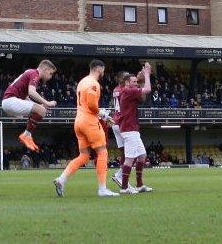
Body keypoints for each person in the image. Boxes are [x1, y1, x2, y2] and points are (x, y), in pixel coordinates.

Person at [53, 59, 117, 198]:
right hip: (90, 122)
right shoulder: (93, 84)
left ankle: (61, 179)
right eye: (103, 70)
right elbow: (92, 105)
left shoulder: (82, 81)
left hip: (79, 121)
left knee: (84, 155)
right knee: (102, 152)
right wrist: (104, 115)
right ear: (99, 69)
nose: (103, 73)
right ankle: (102, 189)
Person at [1, 59, 57, 153]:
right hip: (10, 101)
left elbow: (26, 97)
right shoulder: (35, 74)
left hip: (9, 102)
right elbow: (32, 92)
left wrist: (38, 105)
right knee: (42, 110)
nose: (50, 77)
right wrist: (47, 103)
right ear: (45, 69)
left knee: (39, 111)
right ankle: (26, 135)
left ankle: (28, 136)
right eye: (50, 73)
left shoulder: (29, 72)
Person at [115, 63, 153, 194]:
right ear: (127, 82)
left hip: (132, 128)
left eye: (137, 82)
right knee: (130, 158)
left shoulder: (128, 91)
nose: (136, 83)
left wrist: (141, 79)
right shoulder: (128, 91)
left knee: (142, 156)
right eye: (134, 81)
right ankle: (125, 188)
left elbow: (142, 96)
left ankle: (139, 184)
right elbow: (147, 89)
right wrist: (147, 75)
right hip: (129, 128)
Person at [110, 72, 129, 188]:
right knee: (132, 153)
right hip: (122, 122)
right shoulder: (124, 89)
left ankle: (120, 176)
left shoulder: (116, 89)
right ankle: (120, 175)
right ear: (121, 78)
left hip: (115, 121)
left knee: (124, 152)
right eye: (126, 77)